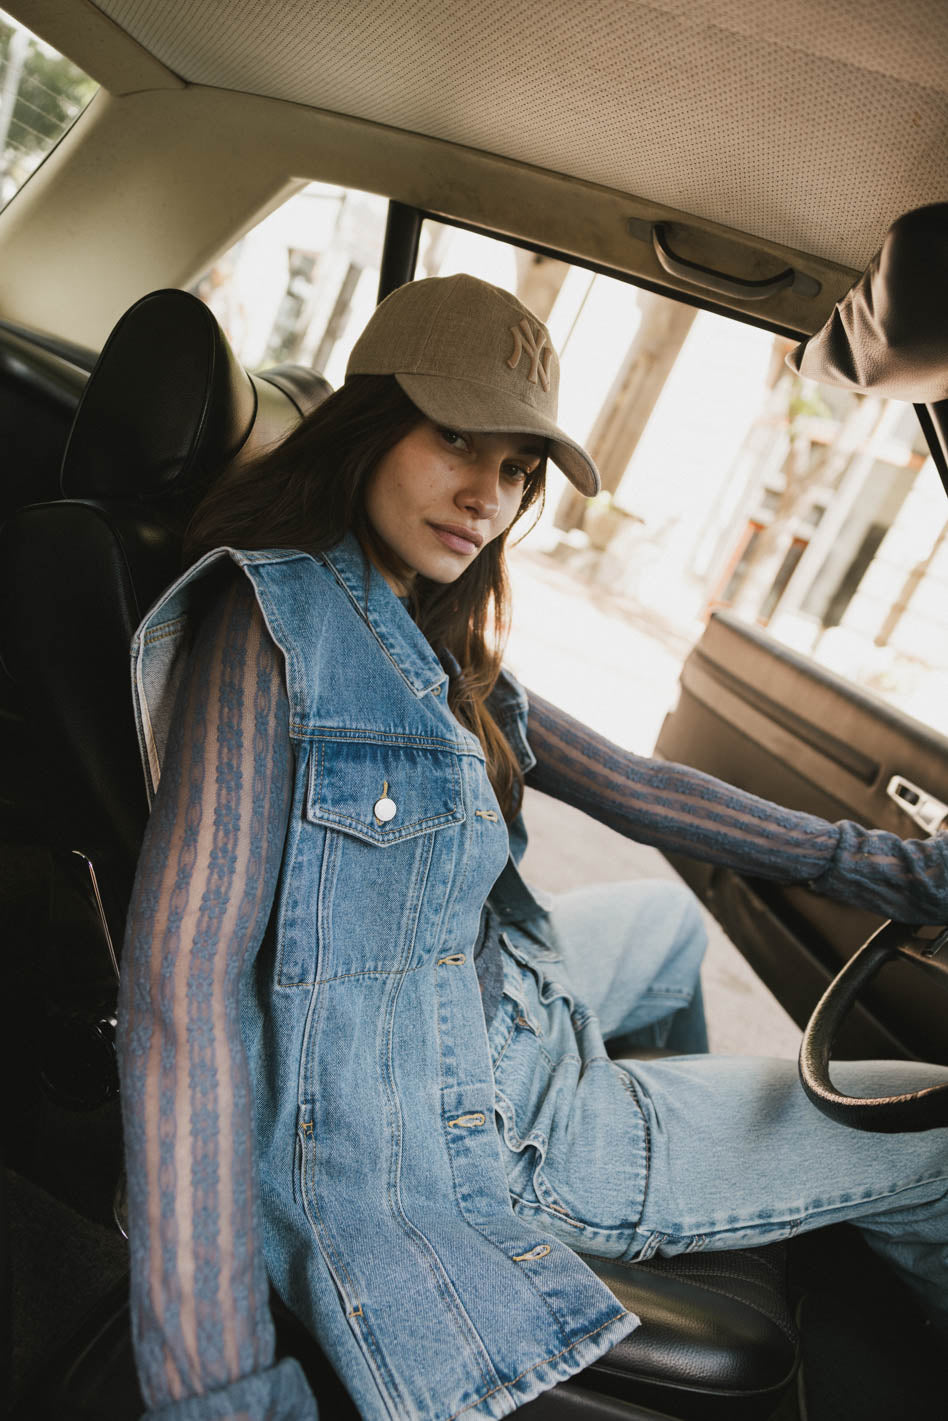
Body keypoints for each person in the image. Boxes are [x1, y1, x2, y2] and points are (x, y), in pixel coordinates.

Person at [117, 274, 948, 1421]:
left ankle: (684, 1182)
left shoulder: (425, 627)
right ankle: (632, 1187)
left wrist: (898, 870)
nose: (486, 496)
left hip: (490, 1013)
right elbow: (185, 991)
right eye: (457, 437)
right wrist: (220, 1388)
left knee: (661, 924)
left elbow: (645, 787)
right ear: (370, 421)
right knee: (937, 1125)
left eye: (517, 471)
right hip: (493, 1138)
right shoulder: (271, 625)